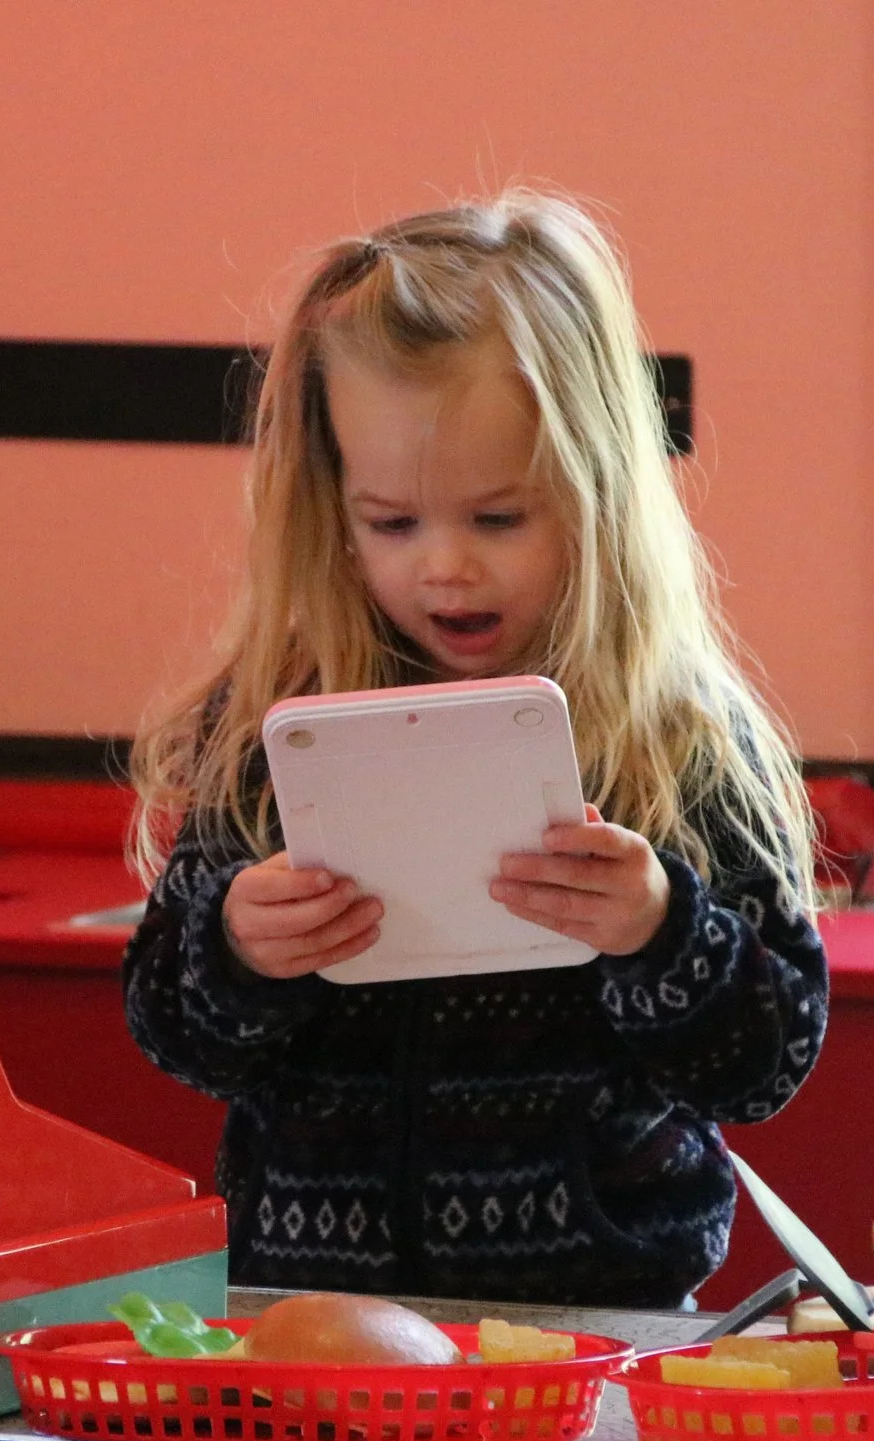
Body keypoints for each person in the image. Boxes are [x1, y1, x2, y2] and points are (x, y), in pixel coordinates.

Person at [123, 191, 828, 1309]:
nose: (443, 568)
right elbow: (175, 1029)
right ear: (330, 506)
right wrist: (238, 948)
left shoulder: (675, 732)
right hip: (313, 1315)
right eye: (391, 522)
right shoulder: (270, 718)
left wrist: (658, 928)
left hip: (599, 1319)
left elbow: (767, 1058)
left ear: (597, 491)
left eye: (498, 519)